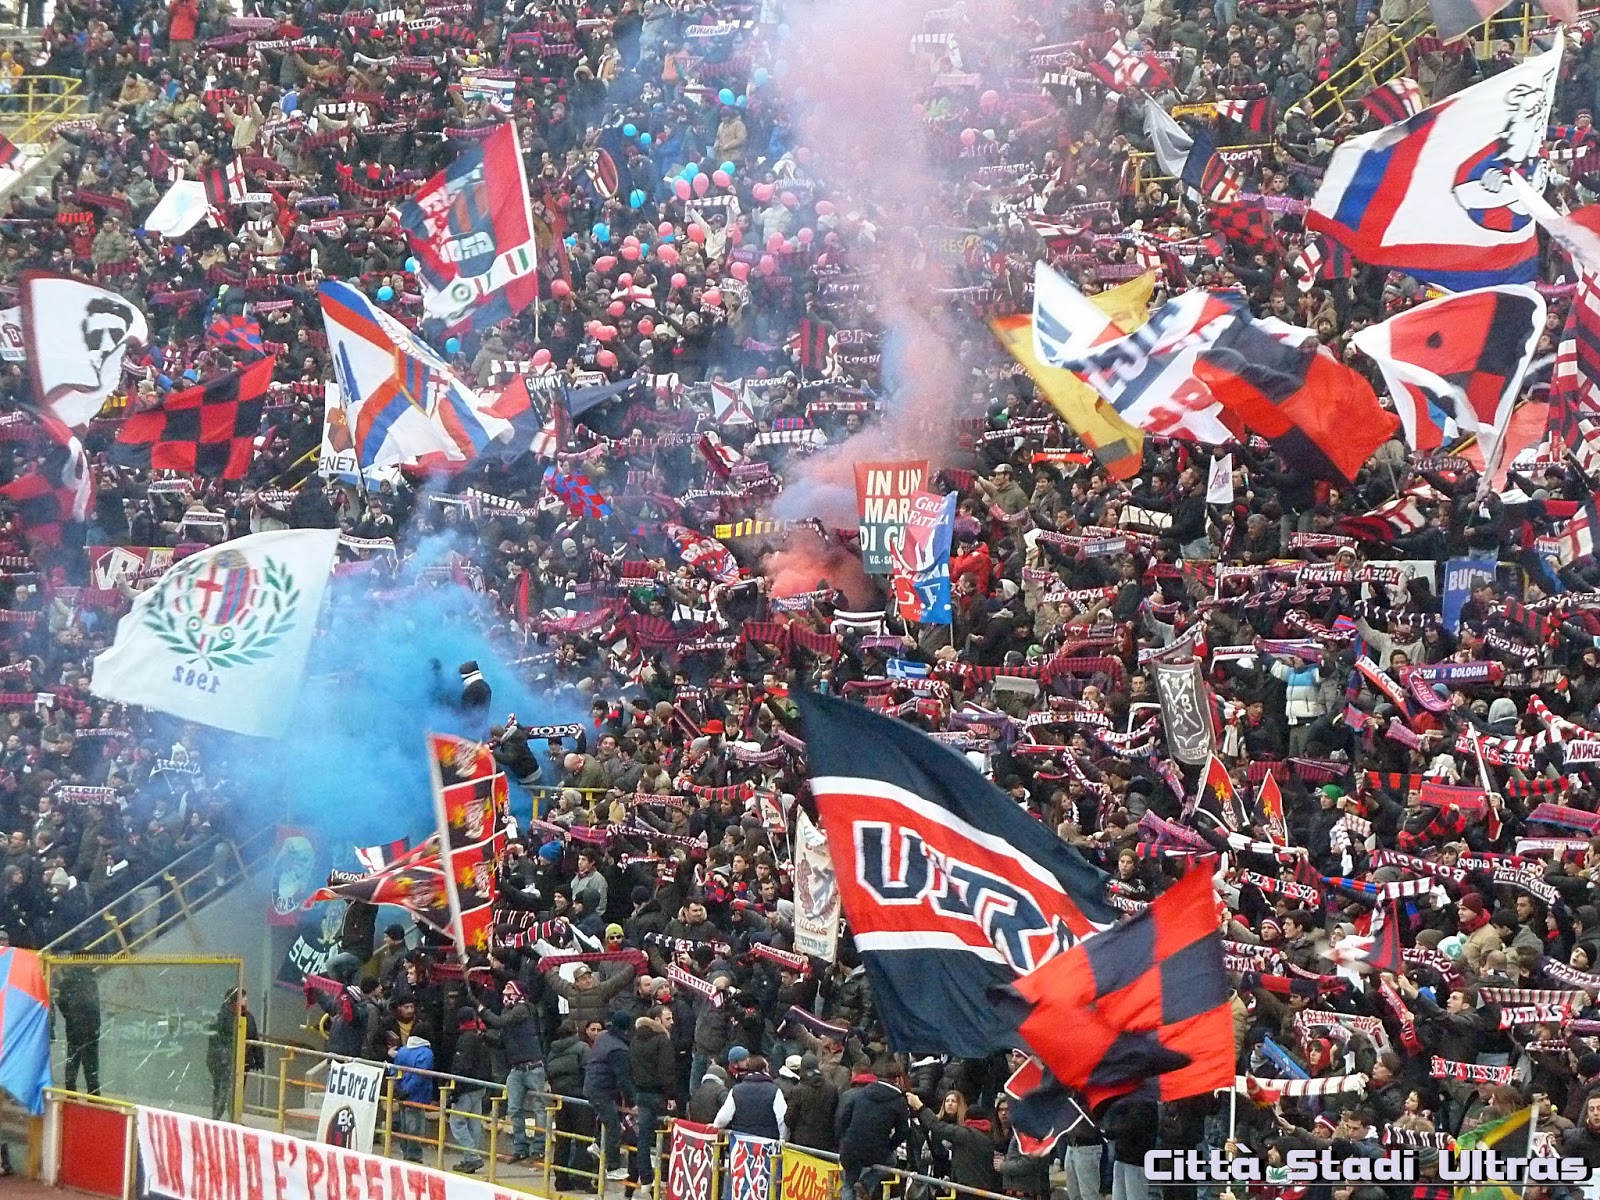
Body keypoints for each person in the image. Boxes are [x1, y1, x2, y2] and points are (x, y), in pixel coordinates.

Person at [475, 978, 547, 1164]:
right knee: (514, 1109)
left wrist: (481, 1009)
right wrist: (485, 1036)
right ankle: (520, 1148)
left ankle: (539, 1149)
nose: (505, 993)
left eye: (509, 988)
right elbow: (502, 1041)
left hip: (533, 1067)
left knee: (539, 1109)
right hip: (516, 1068)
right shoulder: (509, 1011)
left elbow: (499, 1022)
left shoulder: (523, 1009)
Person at [206, 987, 261, 1120]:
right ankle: (216, 1117)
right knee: (222, 1090)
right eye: (243, 997)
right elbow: (215, 1037)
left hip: (243, 1060)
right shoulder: (221, 1016)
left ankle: (234, 1118)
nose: (246, 999)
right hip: (223, 1060)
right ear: (234, 999)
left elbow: (254, 1038)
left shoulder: (248, 1017)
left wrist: (259, 1058)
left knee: (238, 1091)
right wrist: (232, 1043)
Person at [389, 1034, 435, 1164]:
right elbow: (421, 1075)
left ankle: (405, 1150)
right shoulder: (426, 1053)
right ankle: (413, 1154)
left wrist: (398, 1088)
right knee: (416, 1125)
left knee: (405, 1122)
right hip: (418, 1094)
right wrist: (408, 1090)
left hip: (402, 1091)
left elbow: (395, 1069)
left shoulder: (403, 1050)